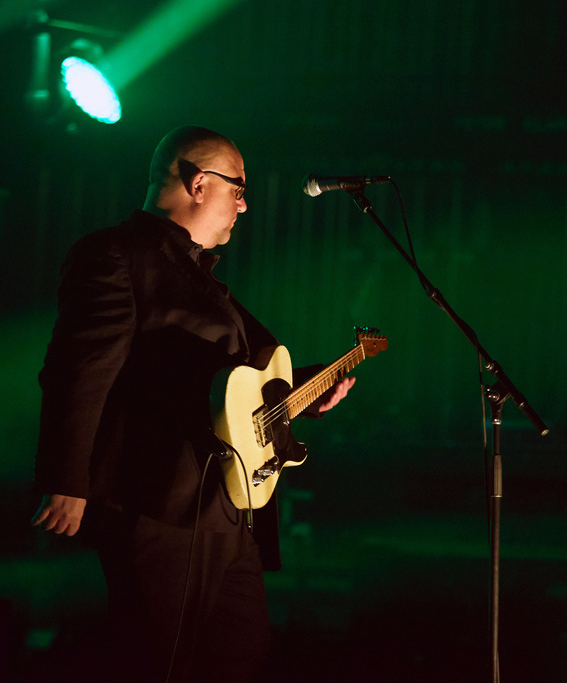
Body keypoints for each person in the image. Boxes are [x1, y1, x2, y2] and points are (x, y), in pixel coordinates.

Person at [29, 125, 354, 682]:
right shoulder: (116, 255)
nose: (245, 205)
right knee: (159, 662)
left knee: (238, 657)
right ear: (199, 183)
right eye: (239, 188)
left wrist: (305, 386)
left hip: (226, 506)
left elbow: (238, 382)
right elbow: (79, 370)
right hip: (158, 501)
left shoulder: (205, 281)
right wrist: (68, 478)